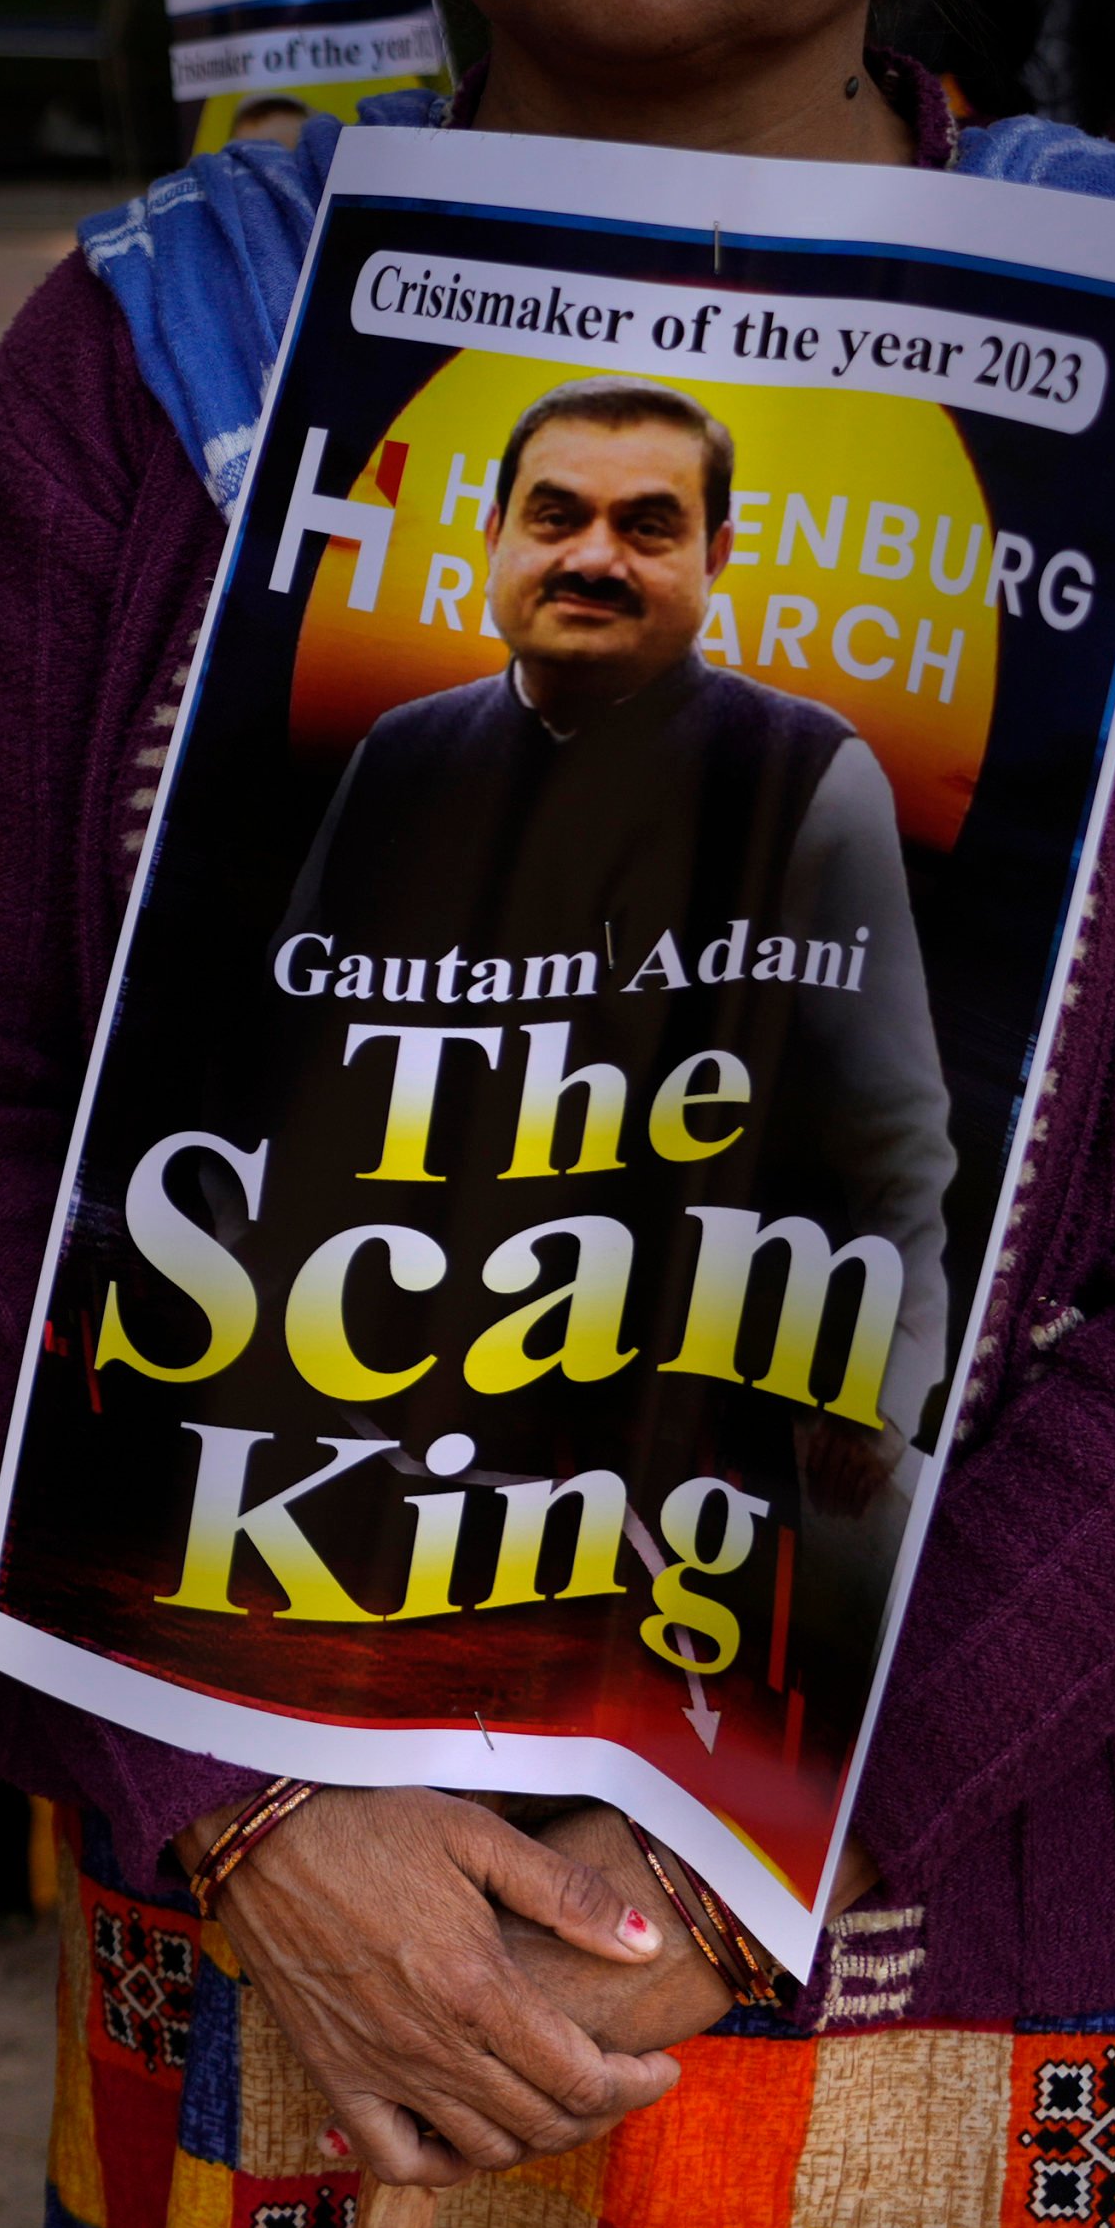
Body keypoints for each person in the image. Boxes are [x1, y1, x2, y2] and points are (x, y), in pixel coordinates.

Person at [0, 0, 1115, 2228]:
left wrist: (749, 1803)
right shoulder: (160, 361)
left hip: (954, 1951)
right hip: (280, 1927)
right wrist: (258, 1792)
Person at [277, 376, 955, 1448]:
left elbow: (895, 1142)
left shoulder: (812, 774)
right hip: (369, 1406)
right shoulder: (398, 753)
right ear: (494, 533)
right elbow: (289, 1068)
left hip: (681, 1439)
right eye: (557, 516)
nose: (595, 558)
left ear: (716, 556)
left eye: (648, 526)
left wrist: (881, 1398)